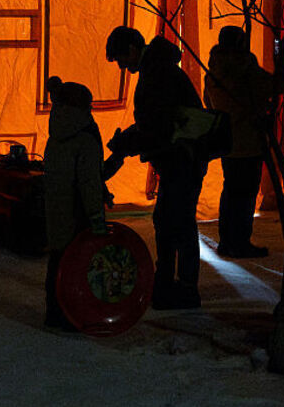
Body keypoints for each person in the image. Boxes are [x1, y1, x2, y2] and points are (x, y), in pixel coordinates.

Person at [105, 26, 206, 310]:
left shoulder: (157, 74)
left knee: (176, 224)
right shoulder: (159, 69)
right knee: (171, 222)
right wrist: (127, 142)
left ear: (132, 49)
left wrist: (125, 144)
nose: (122, 67)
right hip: (182, 158)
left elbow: (156, 128)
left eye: (121, 59)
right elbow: (153, 122)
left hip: (182, 159)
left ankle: (180, 289)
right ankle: (172, 285)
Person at [42, 76, 108, 330]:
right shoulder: (85, 137)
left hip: (57, 207)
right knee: (79, 263)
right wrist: (96, 217)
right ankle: (73, 315)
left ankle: (55, 313)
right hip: (78, 210)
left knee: (58, 260)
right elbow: (88, 182)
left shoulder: (56, 133)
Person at [204, 26, 273, 258]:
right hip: (248, 140)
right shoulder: (245, 68)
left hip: (227, 141)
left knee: (231, 191)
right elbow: (271, 86)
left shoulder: (213, 72)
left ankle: (226, 241)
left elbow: (209, 104)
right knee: (246, 194)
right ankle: (241, 241)